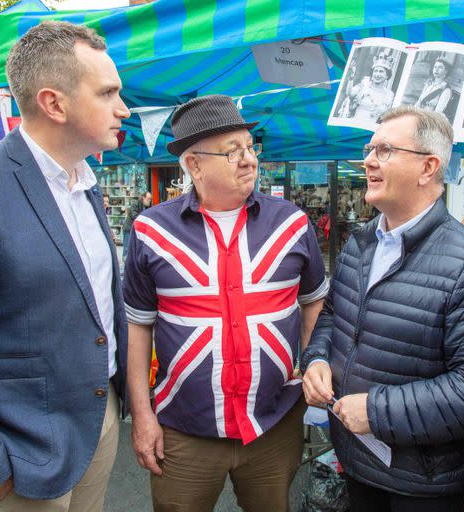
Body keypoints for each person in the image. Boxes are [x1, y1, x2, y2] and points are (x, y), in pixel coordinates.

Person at [0, 21, 129, 511]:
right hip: (18, 457)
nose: (124, 109)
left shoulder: (86, 183)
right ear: (54, 103)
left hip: (98, 426)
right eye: (108, 93)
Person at [301, 106, 464, 512]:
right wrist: (315, 360)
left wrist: (376, 412)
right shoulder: (360, 244)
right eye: (369, 148)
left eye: (385, 150)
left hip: (424, 485)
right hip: (358, 460)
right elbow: (332, 317)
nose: (368, 160)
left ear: (428, 167)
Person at [123, 95, 328, 512]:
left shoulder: (291, 223)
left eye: (250, 147)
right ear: (194, 165)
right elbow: (138, 326)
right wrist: (142, 416)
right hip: (184, 429)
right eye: (232, 151)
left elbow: (314, 305)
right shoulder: (150, 231)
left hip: (274, 424)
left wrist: (311, 365)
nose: (248, 159)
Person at [347, 53, 396, 122]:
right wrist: (351, 77)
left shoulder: (389, 94)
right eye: (375, 71)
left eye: (381, 71)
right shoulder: (363, 86)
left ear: (387, 76)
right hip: (356, 124)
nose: (377, 74)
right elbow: (350, 93)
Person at [122, 190, 151, 257]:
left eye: (150, 199)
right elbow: (134, 215)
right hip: (129, 229)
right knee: (127, 248)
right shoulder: (135, 203)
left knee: (134, 249)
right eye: (148, 199)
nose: (149, 201)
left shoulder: (147, 206)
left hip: (136, 231)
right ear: (143, 198)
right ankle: (125, 265)